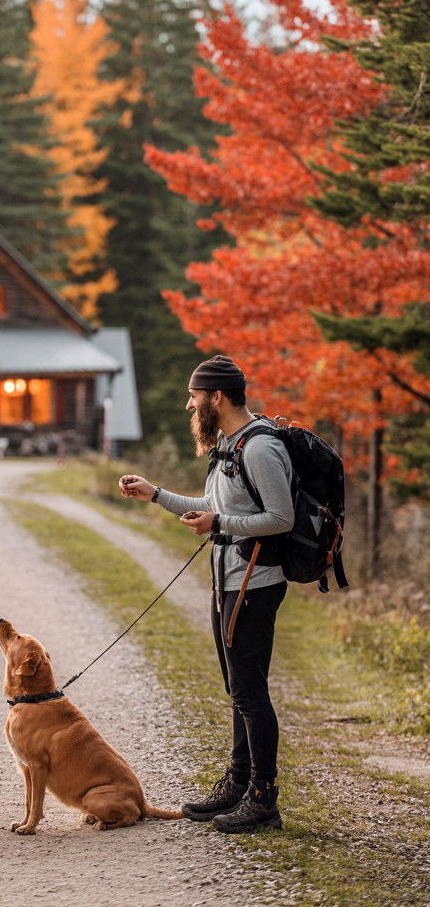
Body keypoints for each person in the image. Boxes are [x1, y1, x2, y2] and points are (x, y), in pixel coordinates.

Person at [119, 355, 294, 834]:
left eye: (195, 396)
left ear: (216, 397)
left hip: (254, 584)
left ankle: (263, 799)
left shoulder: (258, 449)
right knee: (236, 690)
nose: (190, 404)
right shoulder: (228, 445)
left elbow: (282, 518)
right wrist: (155, 494)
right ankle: (238, 783)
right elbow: (213, 508)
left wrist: (219, 524)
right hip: (228, 581)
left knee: (250, 693)